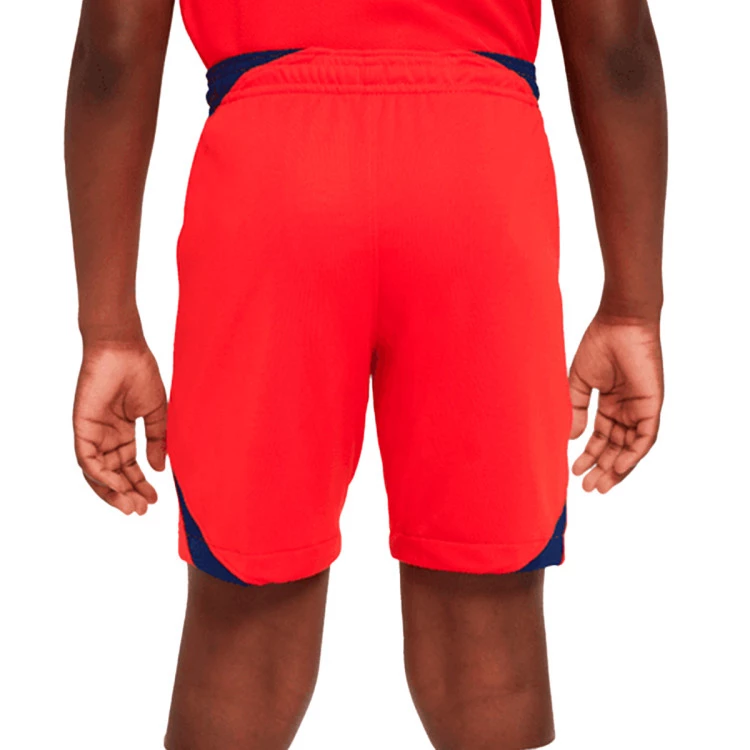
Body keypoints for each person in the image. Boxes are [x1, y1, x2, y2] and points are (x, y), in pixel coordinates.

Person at [65, 0, 666, 747]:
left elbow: (113, 52)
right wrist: (633, 307)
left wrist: (109, 330)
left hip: (273, 175)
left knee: (244, 621)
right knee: (488, 628)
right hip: (478, 172)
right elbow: (618, 49)